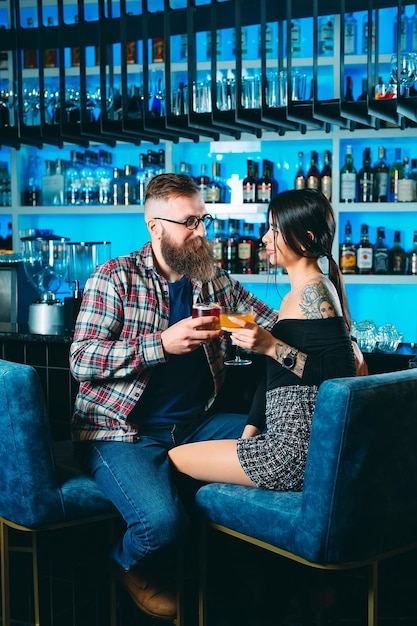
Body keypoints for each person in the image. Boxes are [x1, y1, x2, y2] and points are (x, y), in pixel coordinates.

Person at [69, 173, 278, 621]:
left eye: (203, 219)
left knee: (281, 450)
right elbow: (82, 360)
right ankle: (125, 564)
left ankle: (269, 576)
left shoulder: (211, 280)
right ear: (155, 226)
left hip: (192, 428)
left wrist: (332, 341)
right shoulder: (114, 278)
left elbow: (267, 321)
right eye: (189, 222)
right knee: (160, 527)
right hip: (120, 433)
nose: (201, 232)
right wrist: (160, 344)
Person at [169, 188, 357, 491]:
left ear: (305, 238)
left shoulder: (315, 291)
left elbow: (341, 375)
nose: (265, 238)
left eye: (274, 229)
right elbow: (273, 378)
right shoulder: (297, 295)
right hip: (281, 443)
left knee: (173, 460)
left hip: (292, 453)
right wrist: (247, 437)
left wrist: (270, 345)